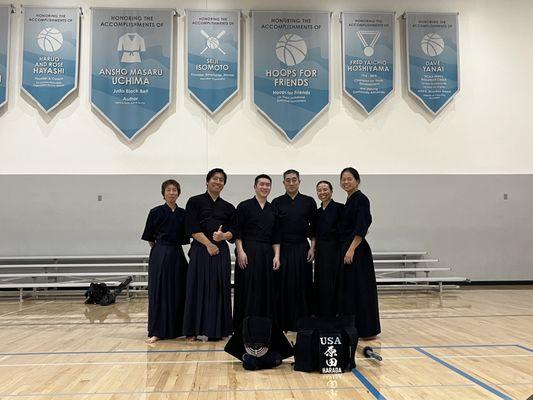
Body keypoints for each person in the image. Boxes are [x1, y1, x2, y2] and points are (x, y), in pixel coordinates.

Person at [183, 168, 235, 341]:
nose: (218, 182)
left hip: (221, 252)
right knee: (197, 288)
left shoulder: (228, 207)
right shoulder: (194, 201)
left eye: (221, 180)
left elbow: (234, 231)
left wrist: (223, 236)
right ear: (207, 181)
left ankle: (219, 330)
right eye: (214, 178)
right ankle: (194, 330)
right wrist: (208, 244)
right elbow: (191, 227)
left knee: (220, 289)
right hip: (201, 250)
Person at [141, 179, 189, 343]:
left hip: (177, 253)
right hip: (160, 253)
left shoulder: (183, 213)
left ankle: (179, 329)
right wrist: (160, 250)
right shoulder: (155, 212)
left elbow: (185, 236)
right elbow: (150, 238)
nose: (171, 193)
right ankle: (157, 331)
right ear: (163, 193)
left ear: (178, 193)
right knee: (159, 291)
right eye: (168, 190)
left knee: (178, 290)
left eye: (174, 190)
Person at [233, 174, 281, 330]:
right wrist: (240, 251)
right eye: (261, 184)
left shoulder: (273, 209)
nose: (265, 187)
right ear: (255, 186)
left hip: (267, 253)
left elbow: (276, 235)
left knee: (266, 288)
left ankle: (264, 324)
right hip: (248, 251)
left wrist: (277, 256)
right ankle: (244, 324)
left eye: (268, 185)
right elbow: (238, 232)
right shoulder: (244, 206)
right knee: (247, 288)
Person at [338, 167, 381, 339]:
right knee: (351, 290)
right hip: (348, 248)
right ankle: (353, 327)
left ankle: (367, 329)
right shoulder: (349, 200)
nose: (346, 182)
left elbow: (362, 226)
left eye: (349, 179)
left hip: (357, 250)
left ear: (357, 180)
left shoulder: (361, 199)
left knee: (362, 289)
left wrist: (351, 249)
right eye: (343, 179)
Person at [272, 170, 317, 331]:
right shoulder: (277, 202)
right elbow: (275, 229)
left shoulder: (308, 201)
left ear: (299, 182)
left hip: (302, 248)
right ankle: (283, 322)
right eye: (288, 180)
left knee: (303, 283)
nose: (291, 183)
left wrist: (312, 247)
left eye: (294, 180)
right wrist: (276, 254)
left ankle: (303, 321)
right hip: (283, 249)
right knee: (283, 284)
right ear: (283, 183)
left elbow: (314, 227)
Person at [314, 180, 343, 317]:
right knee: (321, 282)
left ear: (331, 191)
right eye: (319, 190)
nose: (322, 192)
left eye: (325, 189)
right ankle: (322, 314)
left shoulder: (340, 208)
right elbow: (313, 233)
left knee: (334, 281)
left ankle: (335, 314)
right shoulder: (317, 212)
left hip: (335, 250)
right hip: (320, 251)